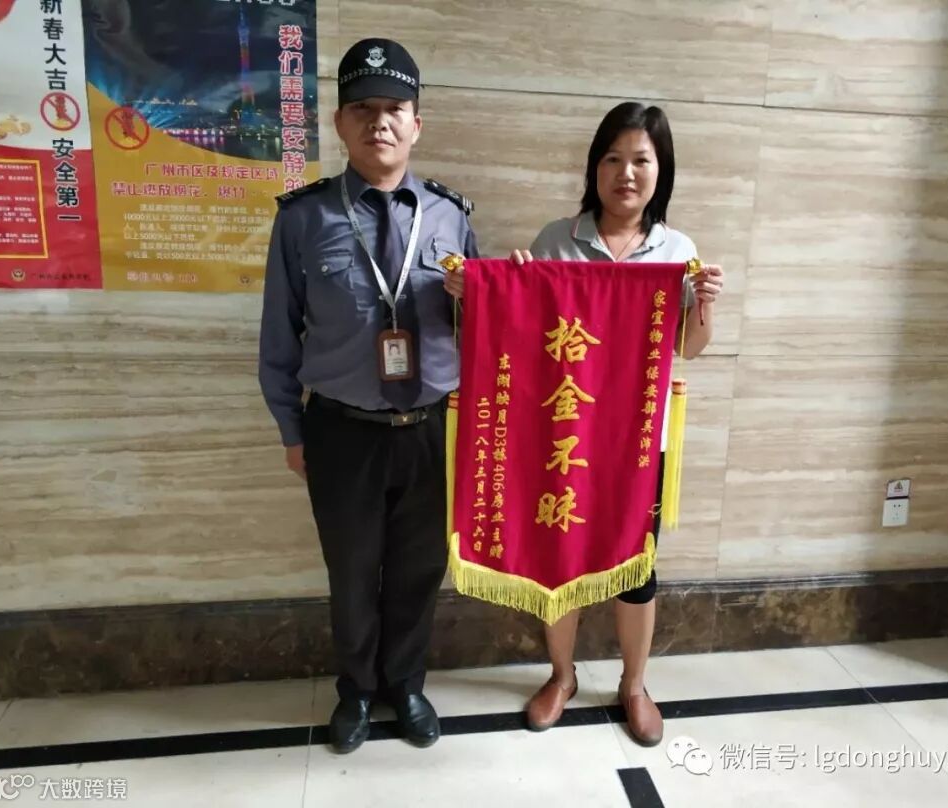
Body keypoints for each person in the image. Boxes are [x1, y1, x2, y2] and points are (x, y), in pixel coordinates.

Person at [445, 101, 722, 747]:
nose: (626, 173)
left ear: (661, 171)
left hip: (636, 445)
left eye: (641, 161)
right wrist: (498, 289)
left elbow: (688, 346)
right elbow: (524, 335)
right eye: (613, 158)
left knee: (637, 571)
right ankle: (562, 676)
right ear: (595, 167)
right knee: (560, 559)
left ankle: (634, 685)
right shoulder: (556, 239)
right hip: (562, 438)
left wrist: (704, 305)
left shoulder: (677, 250)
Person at [259, 38, 478, 755]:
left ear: (417, 124)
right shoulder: (302, 220)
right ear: (339, 123)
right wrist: (292, 431)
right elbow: (279, 338)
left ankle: (405, 684)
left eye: (394, 109)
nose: (379, 122)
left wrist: (475, 300)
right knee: (351, 573)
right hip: (340, 431)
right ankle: (355, 690)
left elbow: (486, 335)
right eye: (362, 109)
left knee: (419, 569)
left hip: (433, 428)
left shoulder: (450, 217)